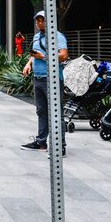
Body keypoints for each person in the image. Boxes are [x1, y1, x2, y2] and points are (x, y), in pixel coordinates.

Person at [21, 11, 68, 154]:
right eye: (38, 21)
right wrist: (29, 63)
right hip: (38, 78)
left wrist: (44, 57)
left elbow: (64, 55)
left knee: (56, 113)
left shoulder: (57, 36)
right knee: (41, 111)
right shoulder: (37, 36)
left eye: (43, 20)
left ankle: (61, 146)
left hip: (52, 79)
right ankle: (41, 142)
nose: (40, 23)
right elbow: (35, 53)